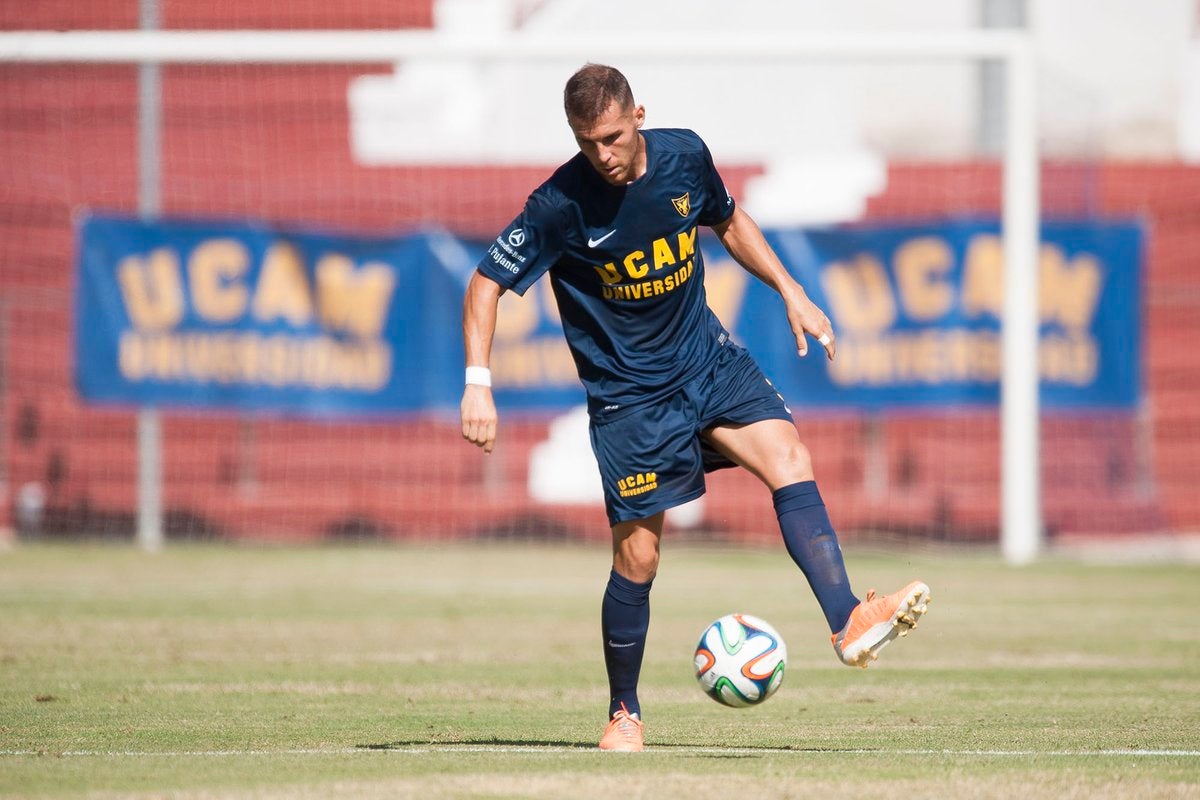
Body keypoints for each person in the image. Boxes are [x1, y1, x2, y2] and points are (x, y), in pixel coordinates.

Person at [460, 64, 930, 752]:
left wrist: (790, 291)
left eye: (614, 138)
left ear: (639, 116)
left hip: (707, 360)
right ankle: (624, 713)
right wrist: (478, 381)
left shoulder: (685, 157)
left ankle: (848, 618)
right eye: (589, 143)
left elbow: (730, 220)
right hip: (631, 401)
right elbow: (484, 285)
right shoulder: (560, 204)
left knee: (789, 457)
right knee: (641, 560)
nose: (604, 155)